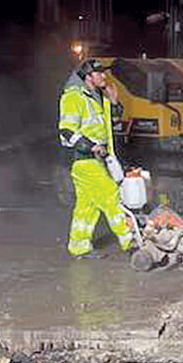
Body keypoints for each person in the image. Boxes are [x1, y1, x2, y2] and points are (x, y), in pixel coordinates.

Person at [58, 58, 134, 258]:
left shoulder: (99, 97)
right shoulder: (73, 97)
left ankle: (79, 246)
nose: (104, 76)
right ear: (88, 77)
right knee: (111, 196)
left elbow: (114, 124)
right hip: (83, 160)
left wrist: (115, 102)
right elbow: (66, 131)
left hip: (99, 160)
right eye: (99, 73)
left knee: (87, 207)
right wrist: (92, 147)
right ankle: (132, 241)